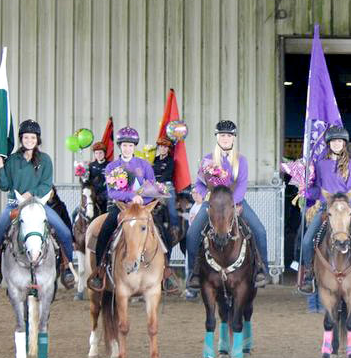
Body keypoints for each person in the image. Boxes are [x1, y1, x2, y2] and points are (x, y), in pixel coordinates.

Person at [0, 119, 76, 292]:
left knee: (63, 230)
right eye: (26, 137)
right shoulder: (12, 160)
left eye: (32, 137)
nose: (29, 140)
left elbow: (46, 184)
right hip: (14, 206)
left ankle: (67, 267)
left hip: (38, 206)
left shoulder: (45, 160)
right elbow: (4, 186)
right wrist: (1, 168)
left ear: (37, 139)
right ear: (21, 139)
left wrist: (30, 193)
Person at [87, 126, 177, 292]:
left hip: (143, 208)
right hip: (121, 207)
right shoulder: (112, 167)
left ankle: (166, 271)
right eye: (124, 145)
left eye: (130, 145)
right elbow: (112, 192)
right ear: (120, 146)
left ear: (134, 147)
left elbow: (153, 187)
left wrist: (144, 199)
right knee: (105, 230)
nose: (127, 148)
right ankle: (100, 271)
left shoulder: (144, 165)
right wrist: (131, 196)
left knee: (164, 232)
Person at [185, 120, 270, 293]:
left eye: (229, 135)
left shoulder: (241, 161)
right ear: (217, 137)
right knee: (192, 234)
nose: (225, 138)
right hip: (213, 204)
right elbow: (200, 185)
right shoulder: (208, 160)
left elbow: (242, 185)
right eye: (222, 135)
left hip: (235, 203)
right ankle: (194, 274)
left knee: (259, 230)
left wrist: (233, 204)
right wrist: (206, 197)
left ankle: (262, 269)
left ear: (233, 138)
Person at [297, 125, 351, 294]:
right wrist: (304, 189)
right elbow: (317, 188)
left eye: (340, 141)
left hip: (346, 208)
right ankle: (309, 274)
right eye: (333, 141)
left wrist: (345, 207)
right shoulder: (320, 164)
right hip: (325, 208)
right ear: (328, 144)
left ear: (344, 144)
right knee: (306, 241)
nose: (336, 144)